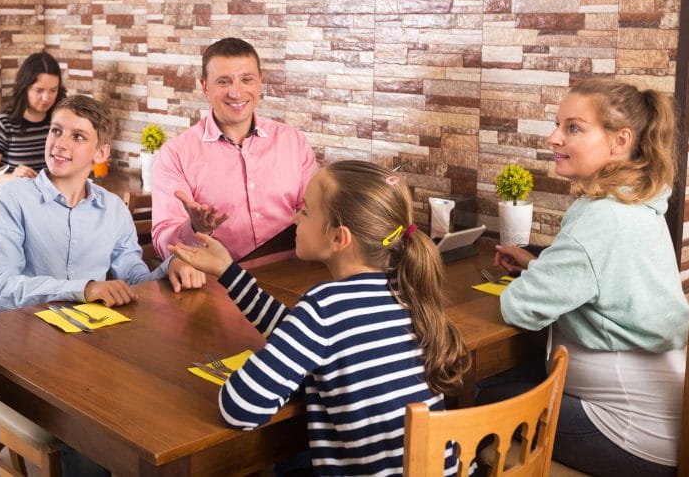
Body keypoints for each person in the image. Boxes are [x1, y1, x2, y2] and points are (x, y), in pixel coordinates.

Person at [169, 160, 470, 475]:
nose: (294, 216)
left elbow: (240, 408)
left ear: (339, 238)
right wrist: (229, 272)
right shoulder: (406, 288)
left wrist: (270, 365)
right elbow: (302, 332)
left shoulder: (325, 307)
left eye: (306, 211)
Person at [484, 79, 689, 476]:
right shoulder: (640, 203)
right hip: (672, 422)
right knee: (511, 384)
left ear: (620, 141)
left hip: (632, 436)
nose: (553, 137)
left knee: (481, 396)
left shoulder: (598, 219)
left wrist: (540, 274)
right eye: (558, 124)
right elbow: (614, 279)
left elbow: (519, 308)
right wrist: (539, 265)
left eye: (573, 128)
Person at [0, 94, 207, 313]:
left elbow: (135, 281)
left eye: (78, 136)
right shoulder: (10, 197)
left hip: (92, 337)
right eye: (56, 131)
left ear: (101, 153)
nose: (60, 144)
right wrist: (85, 289)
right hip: (26, 335)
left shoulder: (114, 209)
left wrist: (170, 267)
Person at [152, 37, 317, 261]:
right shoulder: (175, 155)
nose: (236, 93)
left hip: (289, 273)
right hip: (218, 282)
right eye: (223, 82)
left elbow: (316, 214)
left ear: (260, 81)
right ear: (204, 86)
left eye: (246, 79)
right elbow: (163, 244)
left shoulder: (294, 142)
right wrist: (194, 227)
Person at [0, 51, 66, 184]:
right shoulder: (1, 125)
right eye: (39, 90)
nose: (46, 98)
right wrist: (12, 177)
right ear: (24, 88)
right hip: (16, 199)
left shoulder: (61, 121)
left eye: (53, 90)